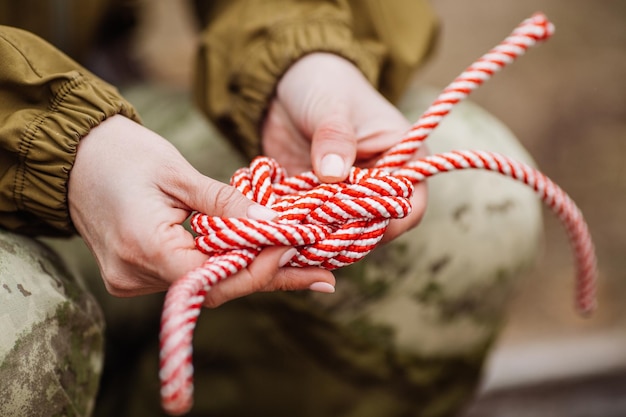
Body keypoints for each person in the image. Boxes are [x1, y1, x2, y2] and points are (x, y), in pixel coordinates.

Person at [0, 1, 542, 416]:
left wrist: (302, 52)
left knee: (478, 206)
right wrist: (55, 145)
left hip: (97, 106)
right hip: (46, 134)